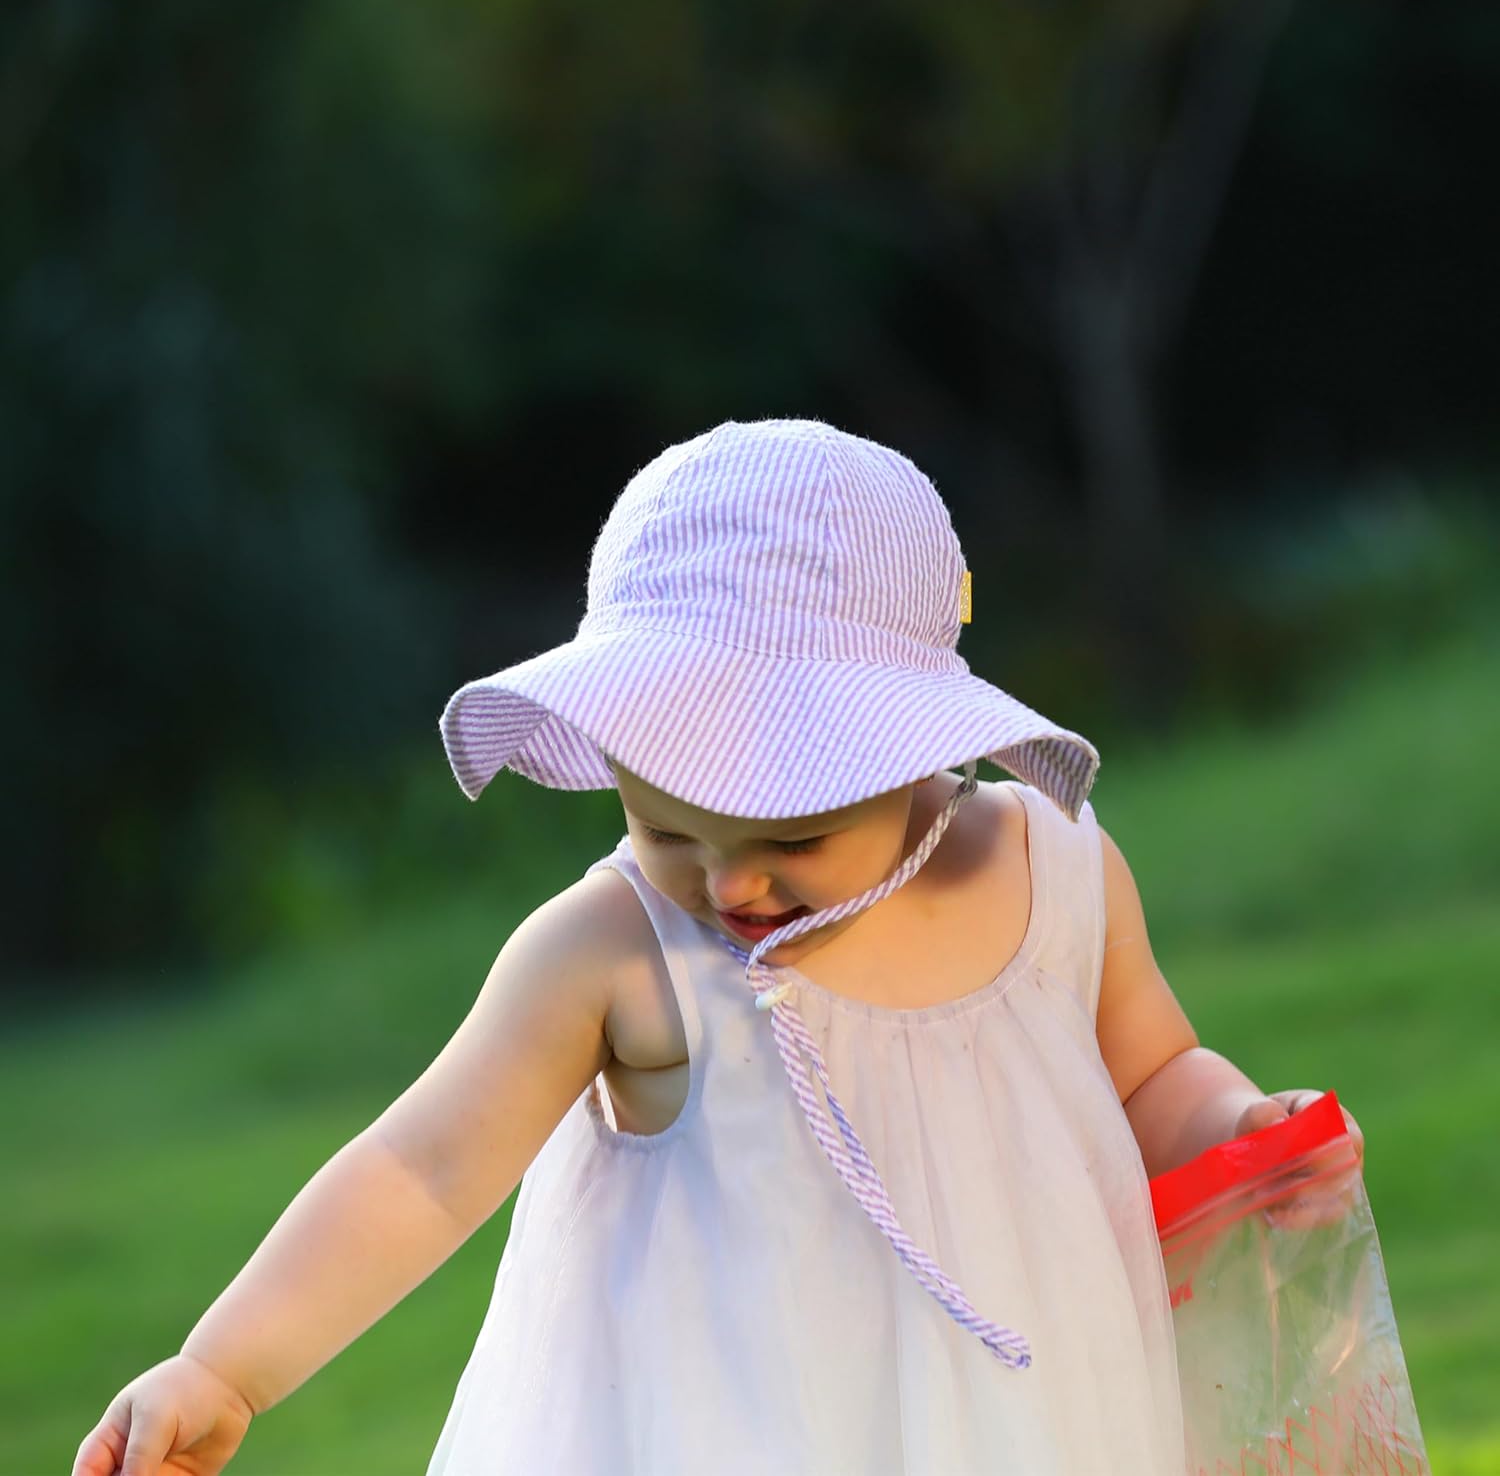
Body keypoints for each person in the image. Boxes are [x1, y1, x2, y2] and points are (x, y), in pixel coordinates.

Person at [73, 418, 1362, 1476]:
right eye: (663, 824)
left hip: (1028, 1421)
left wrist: (1240, 1122)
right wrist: (225, 1365)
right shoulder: (613, 952)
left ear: (917, 749)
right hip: (726, 1428)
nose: (729, 880)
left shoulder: (1052, 873)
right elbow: (422, 1167)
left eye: (792, 838)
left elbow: (1150, 1075)